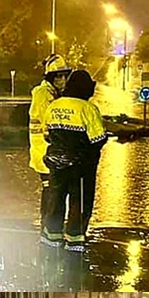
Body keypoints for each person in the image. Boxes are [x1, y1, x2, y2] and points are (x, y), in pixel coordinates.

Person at [42, 70, 107, 252]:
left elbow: (47, 135)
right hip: (81, 168)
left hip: (56, 165)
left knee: (56, 200)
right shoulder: (88, 109)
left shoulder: (54, 106)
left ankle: (52, 238)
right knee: (79, 203)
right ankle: (74, 240)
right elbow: (98, 139)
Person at [30, 55, 72, 248]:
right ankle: (48, 232)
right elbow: (50, 122)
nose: (62, 80)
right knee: (51, 194)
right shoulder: (42, 94)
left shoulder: (53, 94)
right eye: (58, 77)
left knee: (51, 192)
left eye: (64, 76)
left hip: (48, 153)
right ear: (50, 78)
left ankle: (47, 230)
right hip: (44, 153)